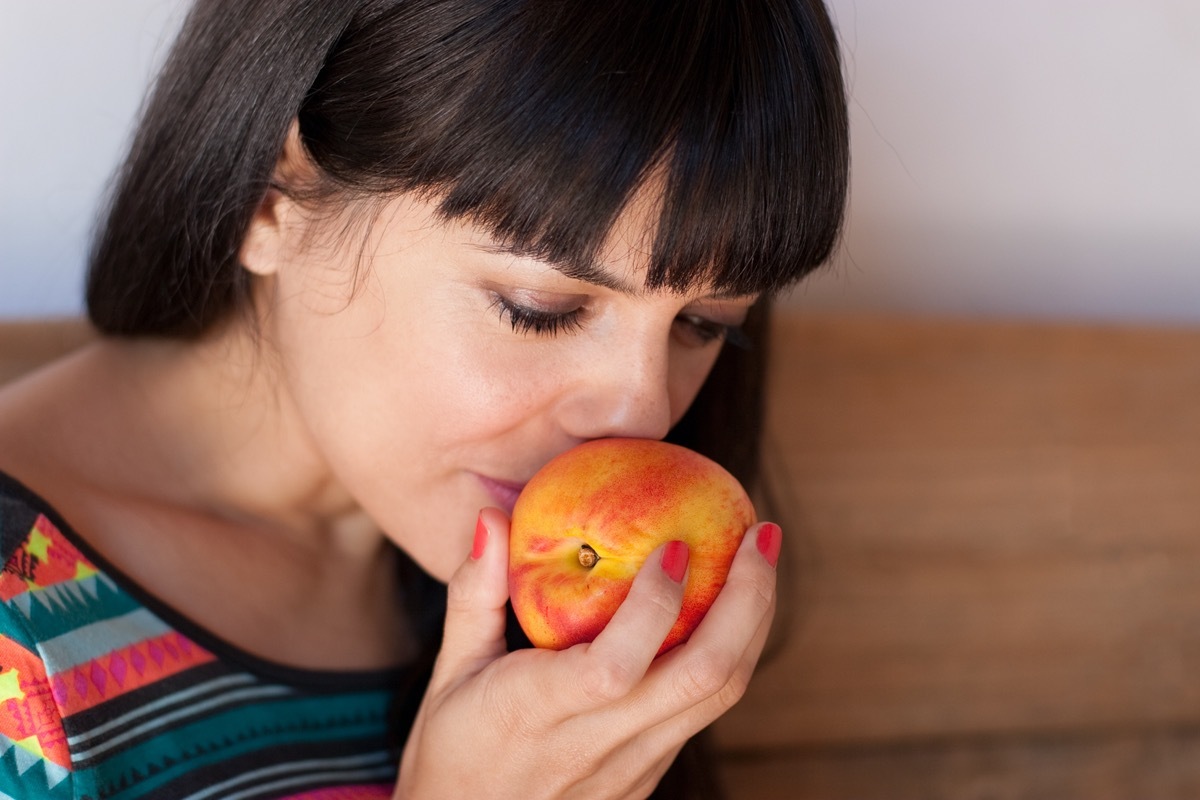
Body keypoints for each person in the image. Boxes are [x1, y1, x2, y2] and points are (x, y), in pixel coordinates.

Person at [0, 0, 848, 797]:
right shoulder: (21, 633)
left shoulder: (541, 590)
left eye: (705, 324)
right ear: (272, 198)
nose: (643, 419)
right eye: (539, 309)